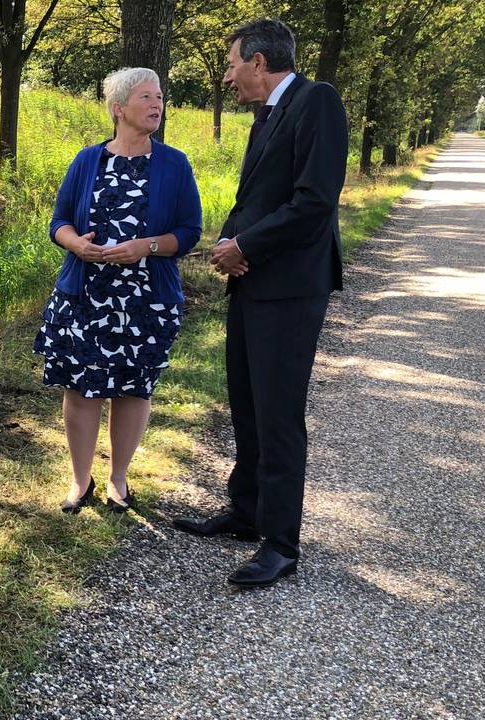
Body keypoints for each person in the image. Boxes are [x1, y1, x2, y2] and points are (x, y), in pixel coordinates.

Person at [173, 18, 348, 587]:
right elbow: (256, 198)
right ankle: (246, 510)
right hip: (252, 280)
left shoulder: (316, 101)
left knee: (277, 413)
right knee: (246, 402)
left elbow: (314, 202)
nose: (226, 76)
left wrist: (244, 245)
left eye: (230, 64)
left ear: (259, 62)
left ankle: (280, 543)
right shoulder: (265, 117)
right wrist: (232, 242)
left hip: (292, 287)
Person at [35, 67, 202, 515]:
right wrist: (77, 245)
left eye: (160, 97)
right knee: (82, 390)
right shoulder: (87, 160)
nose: (157, 105)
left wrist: (146, 247)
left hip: (145, 300)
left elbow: (189, 232)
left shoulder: (175, 163)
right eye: (147, 97)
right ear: (118, 109)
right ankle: (79, 481)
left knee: (133, 389)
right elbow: (59, 222)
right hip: (85, 296)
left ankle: (118, 479)